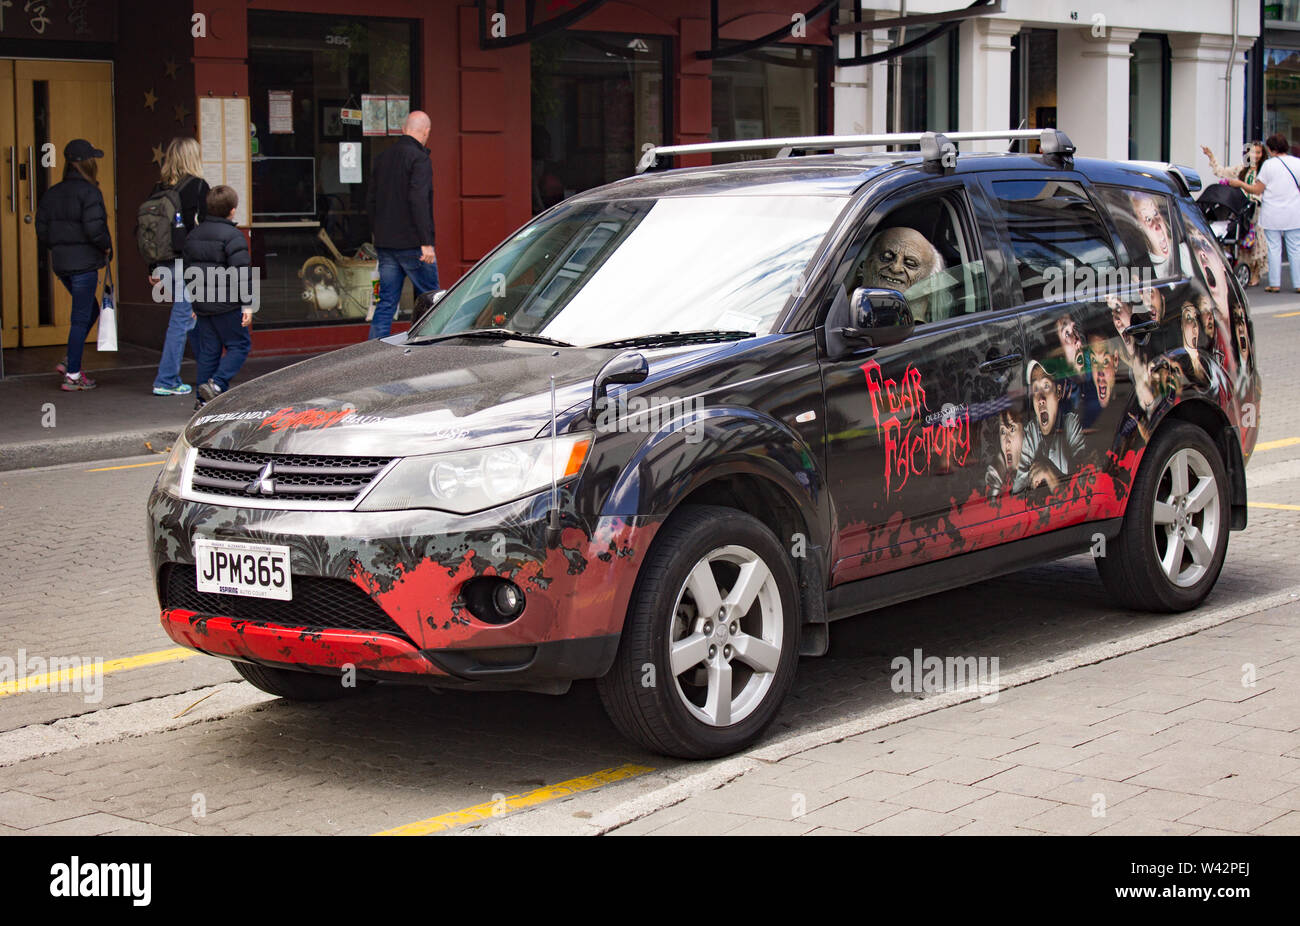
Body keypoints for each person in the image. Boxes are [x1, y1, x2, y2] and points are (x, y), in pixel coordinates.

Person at [34, 139, 112, 391]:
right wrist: (106, 247)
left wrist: (59, 248)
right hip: (84, 265)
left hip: (62, 264)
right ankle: (73, 376)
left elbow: (42, 231)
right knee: (80, 318)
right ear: (87, 163)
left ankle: (71, 358)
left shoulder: (52, 193)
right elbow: (95, 229)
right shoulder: (90, 192)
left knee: (90, 311)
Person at [366, 110, 439, 339]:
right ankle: (428, 346)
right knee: (433, 301)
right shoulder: (419, 159)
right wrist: (426, 243)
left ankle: (372, 354)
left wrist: (378, 233)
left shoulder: (383, 157)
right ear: (426, 132)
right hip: (413, 244)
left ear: (404, 129)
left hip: (386, 244)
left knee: (386, 302)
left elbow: (371, 201)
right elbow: (418, 201)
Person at [183, 185, 255, 408]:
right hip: (227, 304)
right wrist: (248, 304)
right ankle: (216, 385)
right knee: (239, 345)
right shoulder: (234, 236)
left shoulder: (193, 234)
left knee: (209, 351)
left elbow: (188, 270)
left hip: (203, 303)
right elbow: (241, 272)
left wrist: (195, 301)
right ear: (232, 211)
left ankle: (201, 401)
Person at [149, 137, 210, 396]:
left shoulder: (158, 188)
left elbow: (150, 231)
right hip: (189, 263)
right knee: (182, 318)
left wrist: (152, 268)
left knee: (192, 317)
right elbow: (207, 227)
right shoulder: (198, 186)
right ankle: (166, 380)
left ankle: (205, 371)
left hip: (165, 262)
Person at [1227, 133, 1300, 293]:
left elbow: (1257, 189)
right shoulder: (1297, 163)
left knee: (1274, 248)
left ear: (1271, 149)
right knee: (1295, 248)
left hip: (1272, 212)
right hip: (1294, 212)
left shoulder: (1268, 165)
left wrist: (1240, 183)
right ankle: (1298, 283)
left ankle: (1274, 284)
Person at [1202, 140, 1268, 286]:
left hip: (1256, 208)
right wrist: (1211, 157)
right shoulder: (1242, 169)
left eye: (1258, 152)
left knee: (1254, 240)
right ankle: (1241, 269)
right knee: (1239, 236)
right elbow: (1221, 171)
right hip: (1241, 206)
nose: (1256, 156)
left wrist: (1241, 185)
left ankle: (1254, 273)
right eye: (1253, 152)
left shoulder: (1265, 170)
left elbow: (1260, 190)